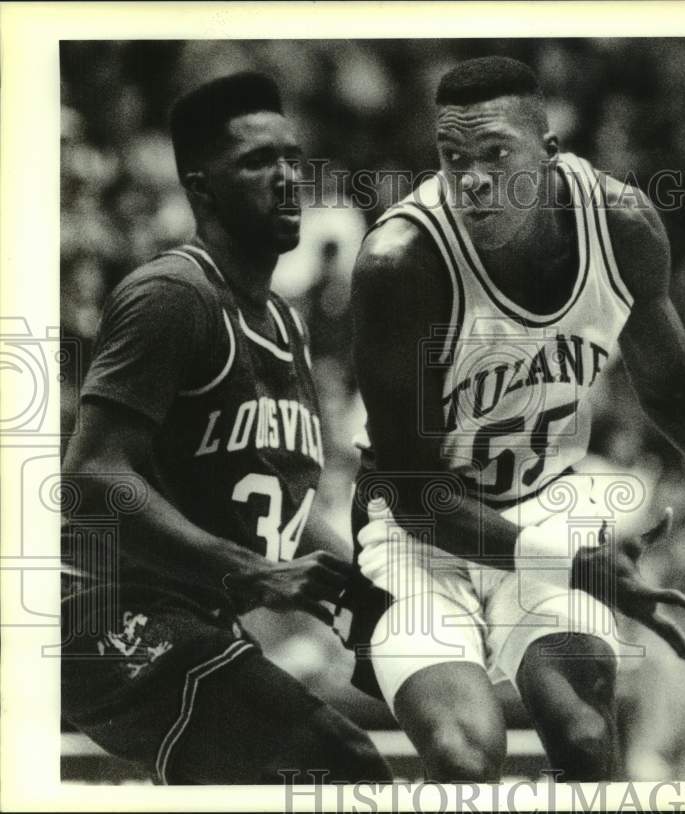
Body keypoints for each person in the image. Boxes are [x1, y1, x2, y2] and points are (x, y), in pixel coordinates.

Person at [346, 56, 685, 782]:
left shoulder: (619, 227)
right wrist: (575, 565)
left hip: (546, 501)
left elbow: (676, 390)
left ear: (549, 153)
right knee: (465, 757)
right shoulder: (400, 263)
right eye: (453, 157)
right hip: (420, 534)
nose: (472, 178)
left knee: (588, 738)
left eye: (496, 153)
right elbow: (416, 494)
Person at [60, 72, 392, 785]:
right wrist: (255, 571)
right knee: (342, 768)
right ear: (201, 188)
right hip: (104, 615)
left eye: (292, 160)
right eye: (256, 162)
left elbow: (279, 509)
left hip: (193, 619)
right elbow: (88, 477)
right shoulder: (174, 295)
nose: (285, 180)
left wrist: (373, 587)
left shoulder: (283, 323)